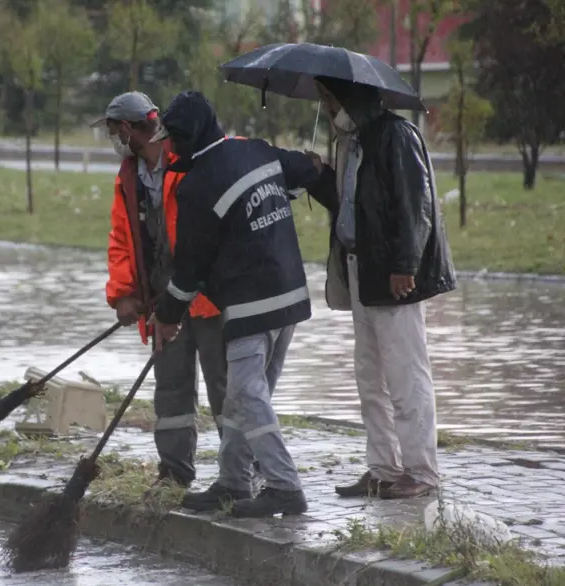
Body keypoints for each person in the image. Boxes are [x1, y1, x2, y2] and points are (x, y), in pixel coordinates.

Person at [150, 90, 336, 518]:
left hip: (251, 304)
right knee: (241, 395)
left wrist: (167, 316)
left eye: (172, 139)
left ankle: (284, 486)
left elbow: (190, 268)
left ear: (188, 137)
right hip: (290, 296)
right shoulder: (257, 150)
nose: (170, 148)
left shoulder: (196, 186)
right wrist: (306, 174)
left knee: (248, 395)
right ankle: (233, 482)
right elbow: (306, 168)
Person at [305, 76, 456, 500]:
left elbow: (415, 204)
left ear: (348, 97)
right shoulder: (351, 142)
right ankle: (383, 467)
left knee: (405, 373)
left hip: (392, 272)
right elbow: (351, 206)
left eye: (329, 98)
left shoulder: (395, 136)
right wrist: (320, 176)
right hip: (361, 268)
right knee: (370, 376)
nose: (326, 106)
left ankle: (421, 470)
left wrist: (405, 265)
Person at [92, 91, 229, 488]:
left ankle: (240, 472)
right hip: (159, 300)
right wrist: (123, 294)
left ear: (129, 127)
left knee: (225, 386)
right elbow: (122, 238)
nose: (114, 140)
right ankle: (174, 472)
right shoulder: (128, 176)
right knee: (171, 388)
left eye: (114, 131)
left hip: (208, 296)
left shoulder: (187, 156)